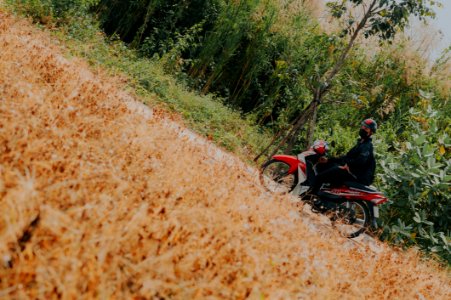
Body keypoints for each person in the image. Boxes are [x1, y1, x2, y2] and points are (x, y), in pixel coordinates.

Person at [310, 118, 377, 194]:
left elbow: (361, 160)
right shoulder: (361, 144)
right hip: (353, 171)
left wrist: (348, 165)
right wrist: (328, 160)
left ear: (371, 132)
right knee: (327, 165)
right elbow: (346, 157)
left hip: (358, 175)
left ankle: (309, 197)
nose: (363, 129)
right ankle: (324, 192)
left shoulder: (367, 146)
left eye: (366, 128)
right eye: (363, 126)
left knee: (320, 177)